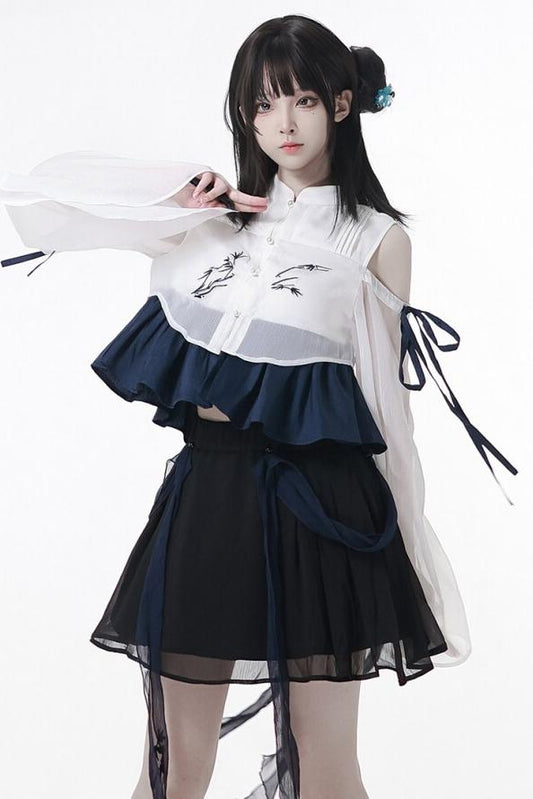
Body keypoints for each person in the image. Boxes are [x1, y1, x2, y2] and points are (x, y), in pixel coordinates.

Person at [0, 14, 518, 799]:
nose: (283, 123)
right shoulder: (206, 221)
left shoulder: (375, 240)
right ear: (244, 114)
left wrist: (411, 547)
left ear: (339, 105)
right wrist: (171, 192)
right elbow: (54, 200)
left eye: (302, 99)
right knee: (172, 767)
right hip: (208, 496)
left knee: (326, 771)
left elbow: (389, 409)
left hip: (321, 507)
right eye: (262, 103)